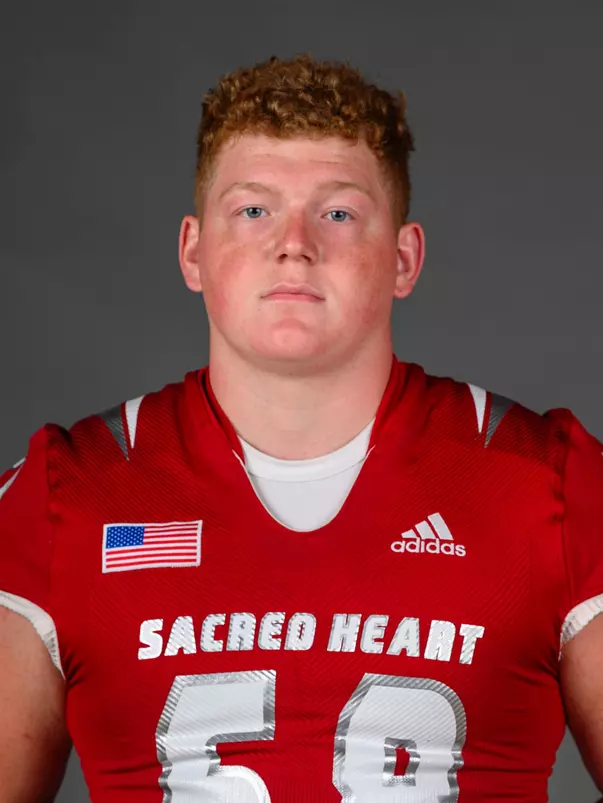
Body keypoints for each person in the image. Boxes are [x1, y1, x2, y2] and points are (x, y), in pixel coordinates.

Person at [0, 52, 602, 803]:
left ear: (403, 258)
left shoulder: (550, 484)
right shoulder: (64, 495)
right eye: (253, 210)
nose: (294, 243)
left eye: (338, 213)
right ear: (193, 251)